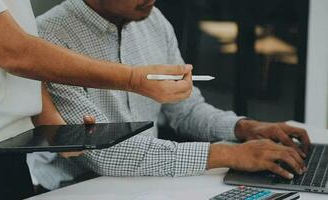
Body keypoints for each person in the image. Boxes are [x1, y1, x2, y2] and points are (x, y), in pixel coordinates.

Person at [28, 0, 311, 191]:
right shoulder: (47, 39)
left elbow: (184, 109)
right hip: (77, 189)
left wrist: (244, 127)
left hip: (148, 182)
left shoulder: (153, 21)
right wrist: (230, 154)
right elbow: (106, 155)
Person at [0, 0, 193, 199]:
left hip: (7, 151)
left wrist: (48, 118)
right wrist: (132, 78)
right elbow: (14, 52)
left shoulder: (156, 24)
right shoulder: (55, 28)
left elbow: (10, 56)